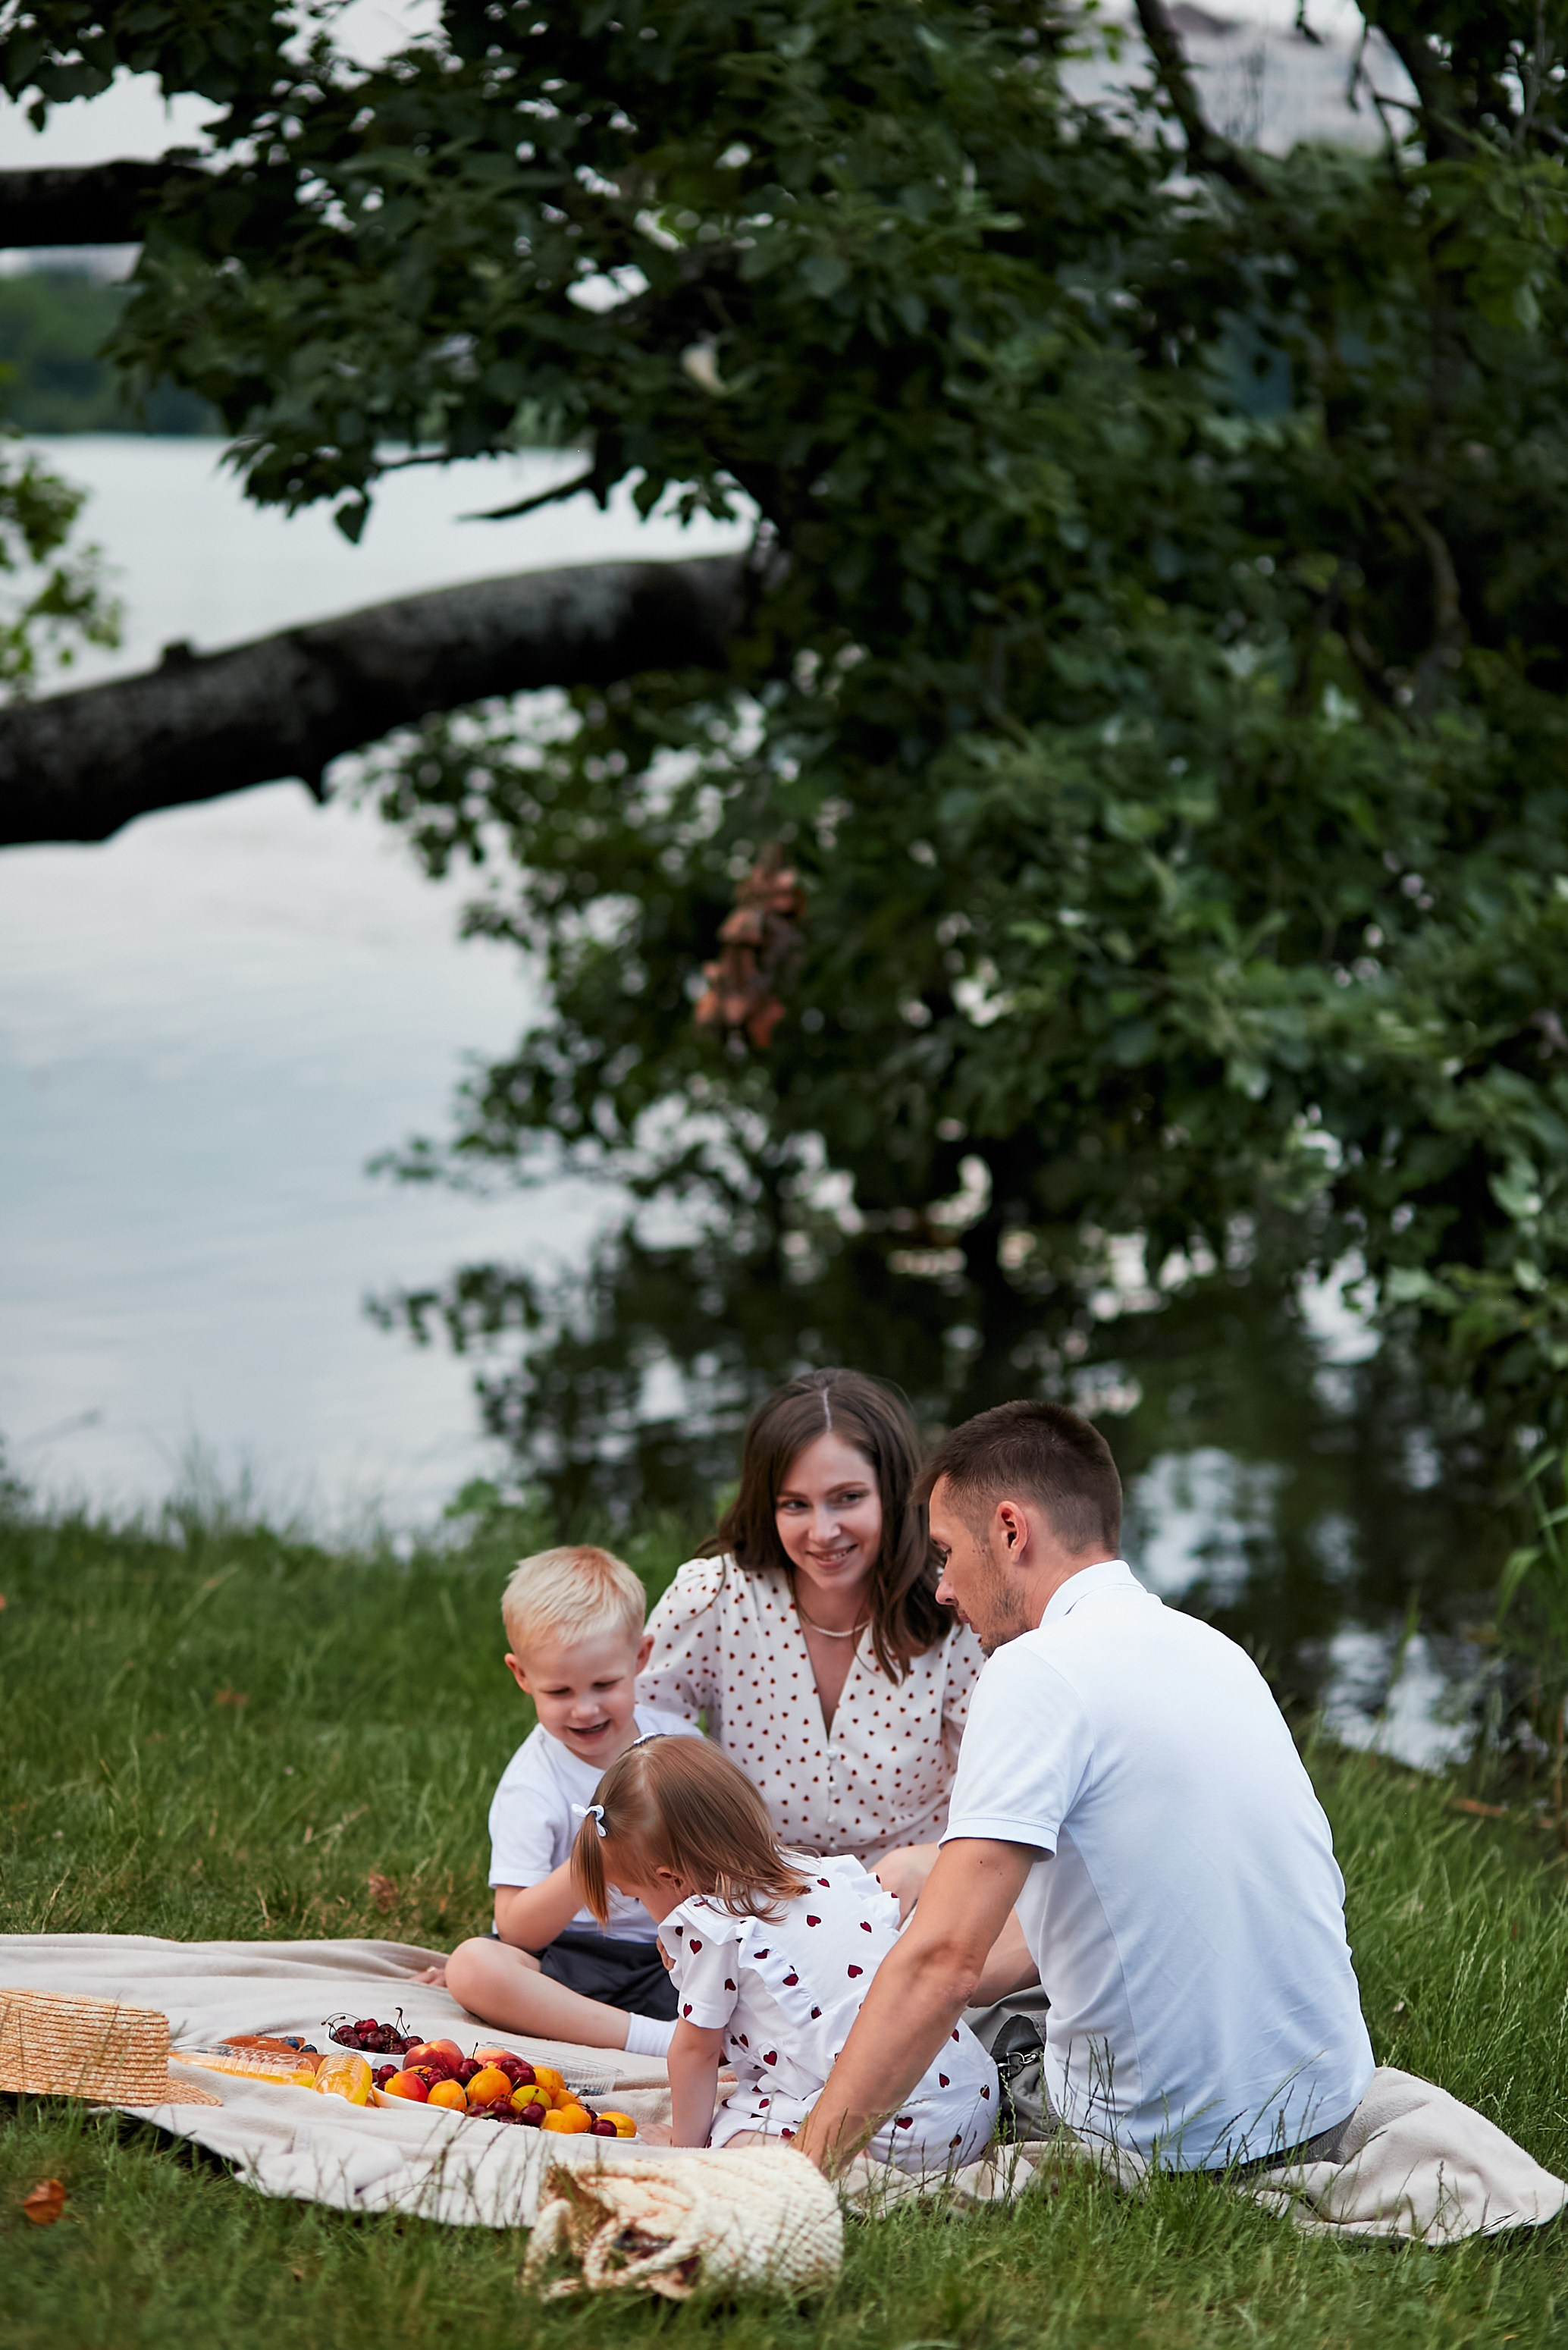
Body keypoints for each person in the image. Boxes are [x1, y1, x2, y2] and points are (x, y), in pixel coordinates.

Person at [797, 1400, 1376, 2176]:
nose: (940, 1589)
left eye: (945, 1552)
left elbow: (945, 1963)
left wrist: (801, 2169)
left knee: (923, 2038)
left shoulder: (1034, 1671)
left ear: (1010, 1531)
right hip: (1324, 2102)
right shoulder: (1208, 1648)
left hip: (1176, 2144)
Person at [572, 1733, 998, 2169]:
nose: (647, 1913)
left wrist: (685, 2144)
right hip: (971, 2094)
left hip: (894, 2131)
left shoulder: (714, 1927)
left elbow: (695, 2052)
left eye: (637, 1896)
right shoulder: (813, 1872)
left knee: (729, 2137)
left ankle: (847, 2171)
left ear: (673, 1879)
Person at [637, 1369, 986, 1888]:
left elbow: (1008, 1781)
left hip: (918, 1897)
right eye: (795, 1504)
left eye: (847, 1497)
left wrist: (934, 1861)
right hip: (755, 1899)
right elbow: (640, 1734)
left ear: (892, 1494)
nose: (823, 1532)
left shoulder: (956, 1605)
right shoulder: (712, 1597)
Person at [443, 1544, 702, 2057]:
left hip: (681, 1953)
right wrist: (595, 1861)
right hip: (573, 1965)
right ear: (522, 1675)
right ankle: (660, 2040)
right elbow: (515, 1928)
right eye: (559, 1691)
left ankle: (696, 2026)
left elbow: (733, 1862)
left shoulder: (682, 1749)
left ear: (641, 1657)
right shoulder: (532, 1781)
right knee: (474, 1965)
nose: (585, 1709)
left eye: (604, 1683)